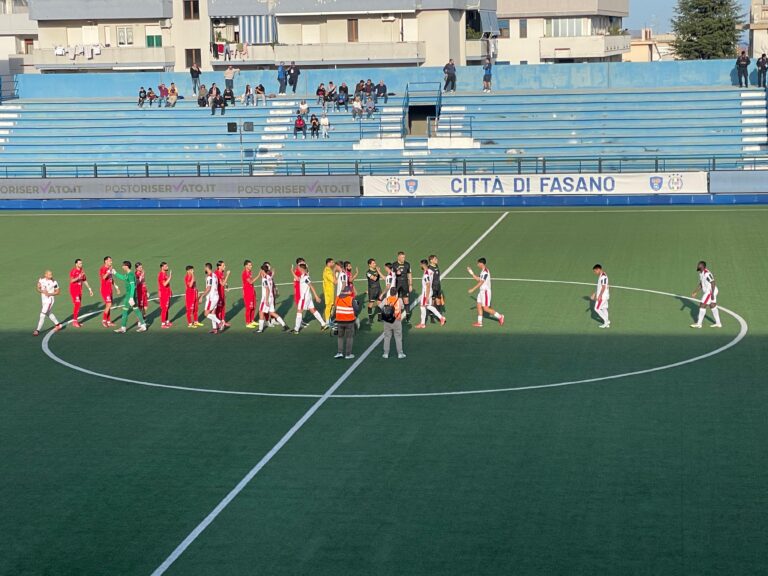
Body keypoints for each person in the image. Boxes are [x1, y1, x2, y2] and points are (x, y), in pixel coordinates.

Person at [467, 258, 504, 327]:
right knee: (478, 305)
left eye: (478, 263)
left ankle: (500, 316)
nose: (477, 264)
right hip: (481, 292)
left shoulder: (485, 272)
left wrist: (473, 289)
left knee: (486, 308)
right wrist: (471, 273)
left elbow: (481, 282)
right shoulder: (482, 271)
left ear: (481, 263)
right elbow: (478, 279)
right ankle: (479, 322)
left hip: (485, 292)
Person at [112, 261, 148, 334]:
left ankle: (123, 327)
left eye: (123, 266)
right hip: (132, 295)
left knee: (125, 311)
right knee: (136, 309)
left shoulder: (131, 275)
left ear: (126, 266)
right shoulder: (128, 274)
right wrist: (115, 273)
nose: (122, 267)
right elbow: (123, 277)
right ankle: (143, 325)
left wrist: (131, 297)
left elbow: (132, 286)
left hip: (130, 296)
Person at [293, 263, 328, 333]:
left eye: (299, 268)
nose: (298, 269)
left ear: (302, 269)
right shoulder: (304, 275)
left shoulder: (305, 277)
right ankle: (323, 324)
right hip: (308, 297)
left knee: (299, 311)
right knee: (313, 310)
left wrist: (316, 296)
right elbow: (298, 279)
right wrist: (292, 271)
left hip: (304, 298)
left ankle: (296, 329)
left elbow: (311, 286)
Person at [257, 263, 289, 333]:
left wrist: (266, 300)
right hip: (271, 297)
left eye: (261, 270)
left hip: (266, 297)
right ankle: (284, 325)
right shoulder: (269, 277)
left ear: (263, 270)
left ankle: (260, 329)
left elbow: (267, 289)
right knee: (272, 312)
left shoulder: (264, 279)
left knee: (261, 312)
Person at [415, 259, 446, 328]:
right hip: (430, 291)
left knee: (422, 307)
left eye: (421, 264)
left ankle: (422, 324)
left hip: (426, 292)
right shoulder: (430, 271)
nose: (420, 266)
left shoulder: (426, 274)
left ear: (423, 265)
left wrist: (427, 297)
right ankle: (441, 318)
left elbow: (428, 285)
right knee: (428, 306)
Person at [691, 260, 722, 328]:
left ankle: (699, 324)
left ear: (702, 266)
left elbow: (713, 282)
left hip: (710, 291)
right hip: (710, 291)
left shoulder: (707, 273)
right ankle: (718, 323)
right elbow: (701, 284)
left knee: (702, 305)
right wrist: (695, 291)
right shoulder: (701, 273)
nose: (697, 266)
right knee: (712, 305)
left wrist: (712, 294)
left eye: (699, 265)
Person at [379, 287, 406, 359]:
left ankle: (386, 353)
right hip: (397, 321)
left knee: (387, 337)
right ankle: (400, 353)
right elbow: (402, 307)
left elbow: (380, 306)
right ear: (396, 293)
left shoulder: (386, 300)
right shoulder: (399, 300)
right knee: (398, 337)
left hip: (387, 321)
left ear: (390, 293)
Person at [33, 270, 62, 336]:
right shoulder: (41, 280)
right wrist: (41, 290)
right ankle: (58, 325)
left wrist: (49, 293)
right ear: (45, 275)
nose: (51, 276)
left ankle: (37, 330)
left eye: (51, 274)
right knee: (48, 313)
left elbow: (58, 292)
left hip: (49, 300)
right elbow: (38, 288)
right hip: (43, 300)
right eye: (49, 275)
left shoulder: (54, 282)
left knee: (42, 314)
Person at [333, 286, 357, 359]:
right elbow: (356, 309)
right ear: (348, 292)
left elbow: (335, 307)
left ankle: (340, 352)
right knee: (349, 338)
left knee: (340, 337)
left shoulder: (337, 298)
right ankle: (348, 354)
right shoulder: (351, 299)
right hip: (349, 321)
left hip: (340, 321)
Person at [68, 258, 93, 328]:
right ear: (76, 264)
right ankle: (75, 321)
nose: (81, 264)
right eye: (79, 263)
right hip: (74, 290)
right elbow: (71, 281)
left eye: (81, 263)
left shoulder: (82, 271)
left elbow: (84, 280)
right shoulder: (73, 271)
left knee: (78, 306)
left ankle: (75, 321)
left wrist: (89, 289)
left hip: (79, 291)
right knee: (77, 304)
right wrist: (78, 277)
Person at [199, 262, 223, 334]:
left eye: (205, 268)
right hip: (216, 296)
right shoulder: (214, 275)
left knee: (206, 314)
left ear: (206, 268)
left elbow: (208, 288)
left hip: (211, 298)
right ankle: (215, 328)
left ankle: (220, 322)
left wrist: (202, 296)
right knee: (213, 313)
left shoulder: (209, 277)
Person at [100, 256, 120, 327]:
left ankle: (108, 321)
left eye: (111, 261)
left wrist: (116, 287)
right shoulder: (103, 269)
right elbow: (104, 277)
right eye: (109, 261)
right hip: (105, 290)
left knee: (109, 305)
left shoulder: (109, 269)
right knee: (109, 304)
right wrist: (109, 271)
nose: (111, 262)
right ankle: (104, 320)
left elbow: (111, 279)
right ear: (105, 261)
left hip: (110, 290)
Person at [393, 252, 412, 321]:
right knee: (395, 299)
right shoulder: (394, 265)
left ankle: (407, 316)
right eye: (402, 257)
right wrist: (395, 273)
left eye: (404, 257)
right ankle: (396, 314)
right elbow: (391, 274)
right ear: (398, 257)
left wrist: (410, 285)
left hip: (405, 283)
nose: (404, 258)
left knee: (406, 299)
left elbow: (409, 275)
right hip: (397, 283)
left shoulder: (407, 264)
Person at [590, 264, 610, 329]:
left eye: (595, 271)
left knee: (597, 308)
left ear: (598, 269)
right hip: (605, 295)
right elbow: (600, 286)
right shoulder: (602, 275)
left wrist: (600, 296)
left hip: (602, 296)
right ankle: (607, 321)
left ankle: (606, 322)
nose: (595, 273)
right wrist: (595, 293)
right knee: (604, 308)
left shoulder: (603, 277)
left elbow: (603, 287)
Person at [242, 260, 258, 328]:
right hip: (247, 293)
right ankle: (248, 323)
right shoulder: (245, 273)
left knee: (253, 307)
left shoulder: (250, 272)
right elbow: (251, 282)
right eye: (249, 265)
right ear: (246, 266)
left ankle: (252, 320)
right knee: (249, 308)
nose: (251, 266)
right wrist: (259, 275)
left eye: (251, 265)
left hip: (252, 292)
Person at [365, 259, 382, 323]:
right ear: (369, 265)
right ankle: (370, 318)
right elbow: (374, 278)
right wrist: (378, 271)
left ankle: (379, 318)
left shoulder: (376, 271)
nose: (375, 264)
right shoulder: (368, 272)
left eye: (375, 263)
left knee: (379, 303)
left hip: (378, 289)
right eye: (373, 263)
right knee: (371, 304)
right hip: (372, 290)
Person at [215, 260, 230, 327]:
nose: (225, 266)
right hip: (218, 294)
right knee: (219, 308)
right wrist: (227, 275)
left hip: (222, 292)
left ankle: (223, 321)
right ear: (219, 266)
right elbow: (222, 283)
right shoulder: (217, 273)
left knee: (223, 307)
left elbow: (224, 282)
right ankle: (218, 323)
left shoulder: (221, 272)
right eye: (223, 265)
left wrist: (226, 287)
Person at [158, 261, 173, 328]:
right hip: (164, 294)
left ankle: (166, 321)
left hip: (167, 293)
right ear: (162, 267)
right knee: (164, 309)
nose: (167, 267)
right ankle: (163, 324)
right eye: (166, 266)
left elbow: (167, 285)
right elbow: (164, 284)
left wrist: (170, 291)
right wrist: (170, 277)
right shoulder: (161, 274)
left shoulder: (165, 273)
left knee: (167, 308)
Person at [322, 257, 336, 324]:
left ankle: (329, 319)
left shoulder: (329, 269)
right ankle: (327, 321)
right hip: (328, 291)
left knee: (331, 306)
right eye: (332, 262)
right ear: (328, 263)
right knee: (328, 306)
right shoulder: (327, 271)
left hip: (330, 291)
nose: (333, 263)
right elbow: (333, 281)